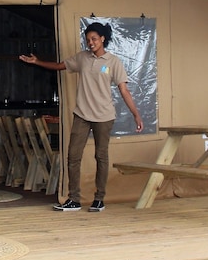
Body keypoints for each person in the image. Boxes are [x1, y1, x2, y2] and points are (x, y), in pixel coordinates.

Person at [19, 22, 143, 212]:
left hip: (104, 116)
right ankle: (74, 199)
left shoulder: (113, 62)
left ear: (103, 39)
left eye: (94, 39)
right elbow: (60, 66)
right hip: (82, 115)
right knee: (73, 156)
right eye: (88, 40)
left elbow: (124, 90)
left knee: (101, 156)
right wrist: (37, 62)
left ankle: (99, 199)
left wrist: (136, 114)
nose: (90, 43)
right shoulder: (82, 58)